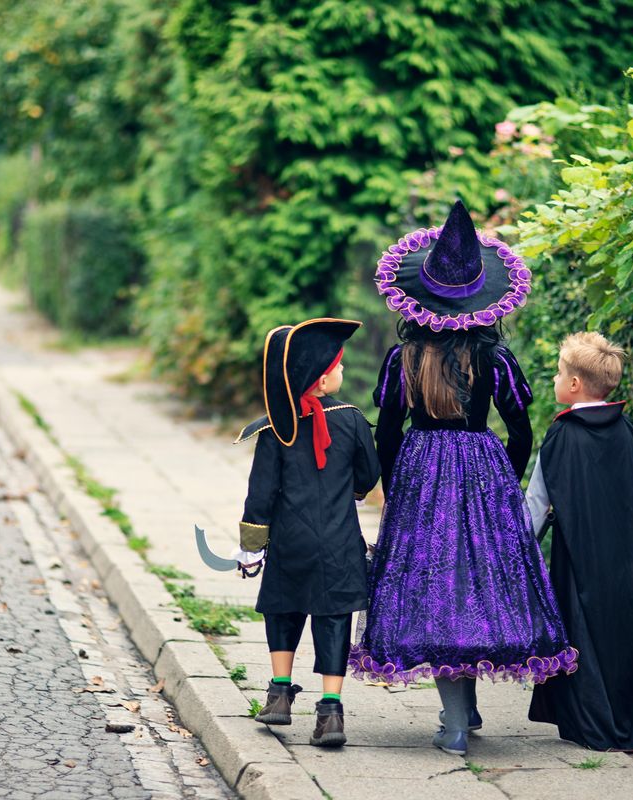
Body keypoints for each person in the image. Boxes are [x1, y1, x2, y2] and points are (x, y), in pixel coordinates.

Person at [349, 200, 577, 756]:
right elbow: (521, 429)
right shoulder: (495, 358)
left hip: (421, 470)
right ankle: (462, 712)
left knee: (435, 586)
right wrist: (506, 482)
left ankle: (456, 722)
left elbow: (387, 431)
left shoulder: (403, 358)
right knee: (473, 584)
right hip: (482, 469)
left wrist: (395, 485)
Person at [526, 332, 633, 752]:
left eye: (559, 373)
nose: (555, 379)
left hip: (582, 560)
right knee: (629, 633)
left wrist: (517, 549)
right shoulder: (629, 432)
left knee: (587, 634)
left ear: (575, 384)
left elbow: (536, 504)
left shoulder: (561, 436)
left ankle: (593, 717)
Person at [236, 318, 380, 747]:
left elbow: (260, 492)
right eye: (338, 365)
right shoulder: (352, 419)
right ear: (323, 378)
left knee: (283, 608)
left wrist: (251, 548)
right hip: (339, 541)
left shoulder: (276, 427)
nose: (342, 370)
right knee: (334, 618)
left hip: (289, 541)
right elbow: (367, 475)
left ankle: (279, 694)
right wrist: (350, 491)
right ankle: (331, 713)